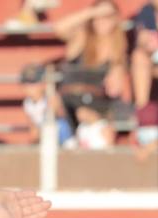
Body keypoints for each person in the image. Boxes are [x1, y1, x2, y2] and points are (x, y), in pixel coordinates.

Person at [53, 1, 132, 131]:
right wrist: (92, 12)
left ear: (115, 19)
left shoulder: (118, 48)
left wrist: (117, 73)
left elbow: (117, 89)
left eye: (107, 16)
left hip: (99, 104)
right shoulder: (82, 38)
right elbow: (59, 28)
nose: (102, 21)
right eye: (98, 17)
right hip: (72, 100)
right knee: (81, 114)